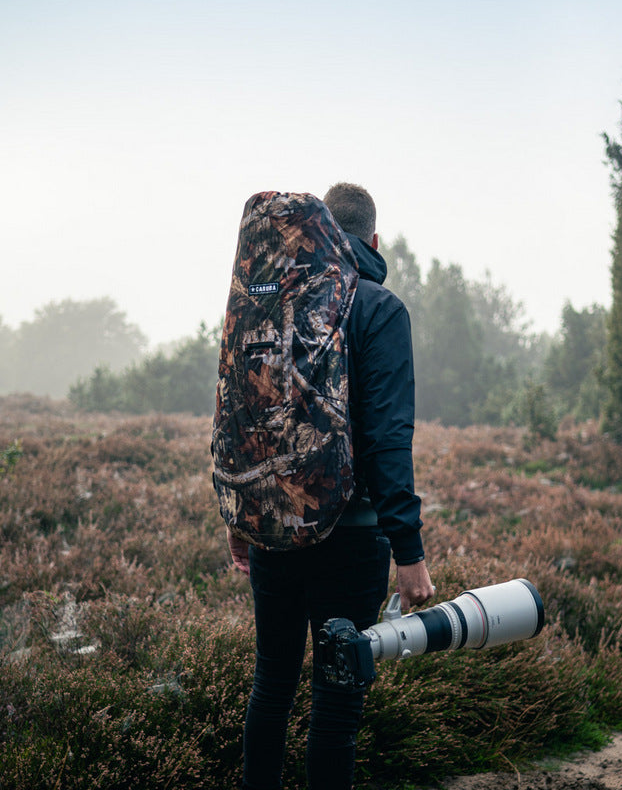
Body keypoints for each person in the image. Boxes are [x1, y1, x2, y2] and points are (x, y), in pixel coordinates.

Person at [227, 182, 434, 790]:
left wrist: (241, 518)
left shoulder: (267, 304)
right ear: (373, 240)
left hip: (274, 530)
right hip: (351, 536)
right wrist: (410, 551)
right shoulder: (377, 307)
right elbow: (388, 440)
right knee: (336, 707)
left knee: (271, 688)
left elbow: (238, 414)